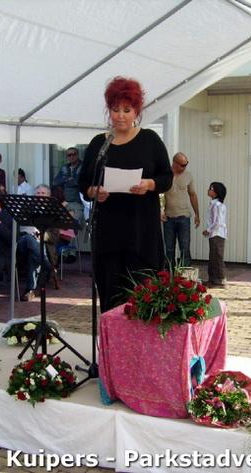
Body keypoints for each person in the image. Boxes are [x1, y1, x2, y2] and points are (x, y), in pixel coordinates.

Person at [78, 76, 173, 312]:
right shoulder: (99, 144)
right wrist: (93, 191)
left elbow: (167, 177)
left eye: (127, 110)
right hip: (108, 235)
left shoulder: (150, 140)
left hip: (142, 234)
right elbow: (83, 182)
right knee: (111, 300)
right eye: (115, 109)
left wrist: (149, 184)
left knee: (143, 301)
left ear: (136, 112)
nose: (120, 115)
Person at [161, 152, 200, 269]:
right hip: (168, 218)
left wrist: (197, 214)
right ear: (175, 163)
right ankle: (169, 274)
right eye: (183, 165)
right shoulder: (165, 174)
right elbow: (159, 194)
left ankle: (184, 275)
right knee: (169, 249)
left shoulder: (188, 176)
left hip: (184, 217)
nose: (185, 167)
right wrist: (160, 210)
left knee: (185, 248)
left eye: (186, 164)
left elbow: (192, 195)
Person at [202, 182, 227, 287]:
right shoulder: (213, 204)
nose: (208, 190)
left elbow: (217, 222)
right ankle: (212, 279)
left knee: (217, 257)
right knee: (213, 256)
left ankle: (220, 279)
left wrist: (208, 230)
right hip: (214, 234)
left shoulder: (217, 205)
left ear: (216, 193)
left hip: (217, 234)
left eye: (211, 189)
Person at [54, 147, 84, 227]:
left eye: (74, 154)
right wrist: (67, 179)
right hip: (65, 201)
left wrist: (65, 181)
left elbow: (80, 182)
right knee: (58, 222)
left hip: (78, 202)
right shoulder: (64, 167)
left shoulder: (83, 166)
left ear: (78, 155)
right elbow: (55, 182)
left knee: (73, 224)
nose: (72, 156)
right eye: (69, 155)